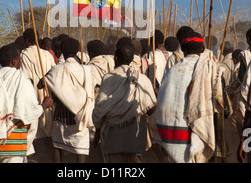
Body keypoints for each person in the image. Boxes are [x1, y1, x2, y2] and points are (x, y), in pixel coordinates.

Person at [0, 44, 53, 163]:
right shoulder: (21, 78)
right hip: (14, 140)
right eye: (19, 59)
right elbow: (29, 111)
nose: (20, 62)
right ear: (13, 61)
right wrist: (44, 105)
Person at [156, 31, 224, 163]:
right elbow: (221, 106)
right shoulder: (212, 69)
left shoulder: (172, 70)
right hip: (198, 133)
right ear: (203, 49)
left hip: (172, 135)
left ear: (182, 49)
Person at [92, 44, 157, 163]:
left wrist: (97, 131)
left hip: (113, 137)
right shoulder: (142, 79)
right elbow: (151, 108)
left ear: (116, 58)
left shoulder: (108, 78)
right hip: (135, 136)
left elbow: (99, 108)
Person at [44, 37, 95, 163]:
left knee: (57, 147)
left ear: (61, 50)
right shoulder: (86, 70)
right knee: (80, 151)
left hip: (60, 115)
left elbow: (41, 84)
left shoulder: (56, 70)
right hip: (81, 115)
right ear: (77, 51)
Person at [20, 28, 56, 160]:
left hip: (33, 96)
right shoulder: (47, 54)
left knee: (36, 129)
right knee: (48, 124)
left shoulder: (24, 55)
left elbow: (26, 78)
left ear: (26, 41)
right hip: (48, 95)